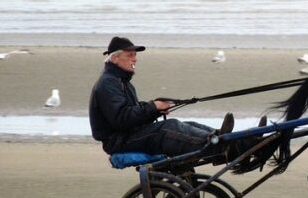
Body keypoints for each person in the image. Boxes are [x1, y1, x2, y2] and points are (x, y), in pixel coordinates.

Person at [89, 36, 234, 158]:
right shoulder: (108, 83)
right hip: (119, 141)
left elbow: (132, 113)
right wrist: (153, 107)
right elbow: (122, 119)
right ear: (114, 58)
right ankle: (215, 145)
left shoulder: (121, 81)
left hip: (128, 135)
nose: (135, 60)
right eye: (130, 55)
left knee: (188, 124)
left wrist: (155, 109)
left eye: (135, 55)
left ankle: (222, 137)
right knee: (169, 127)